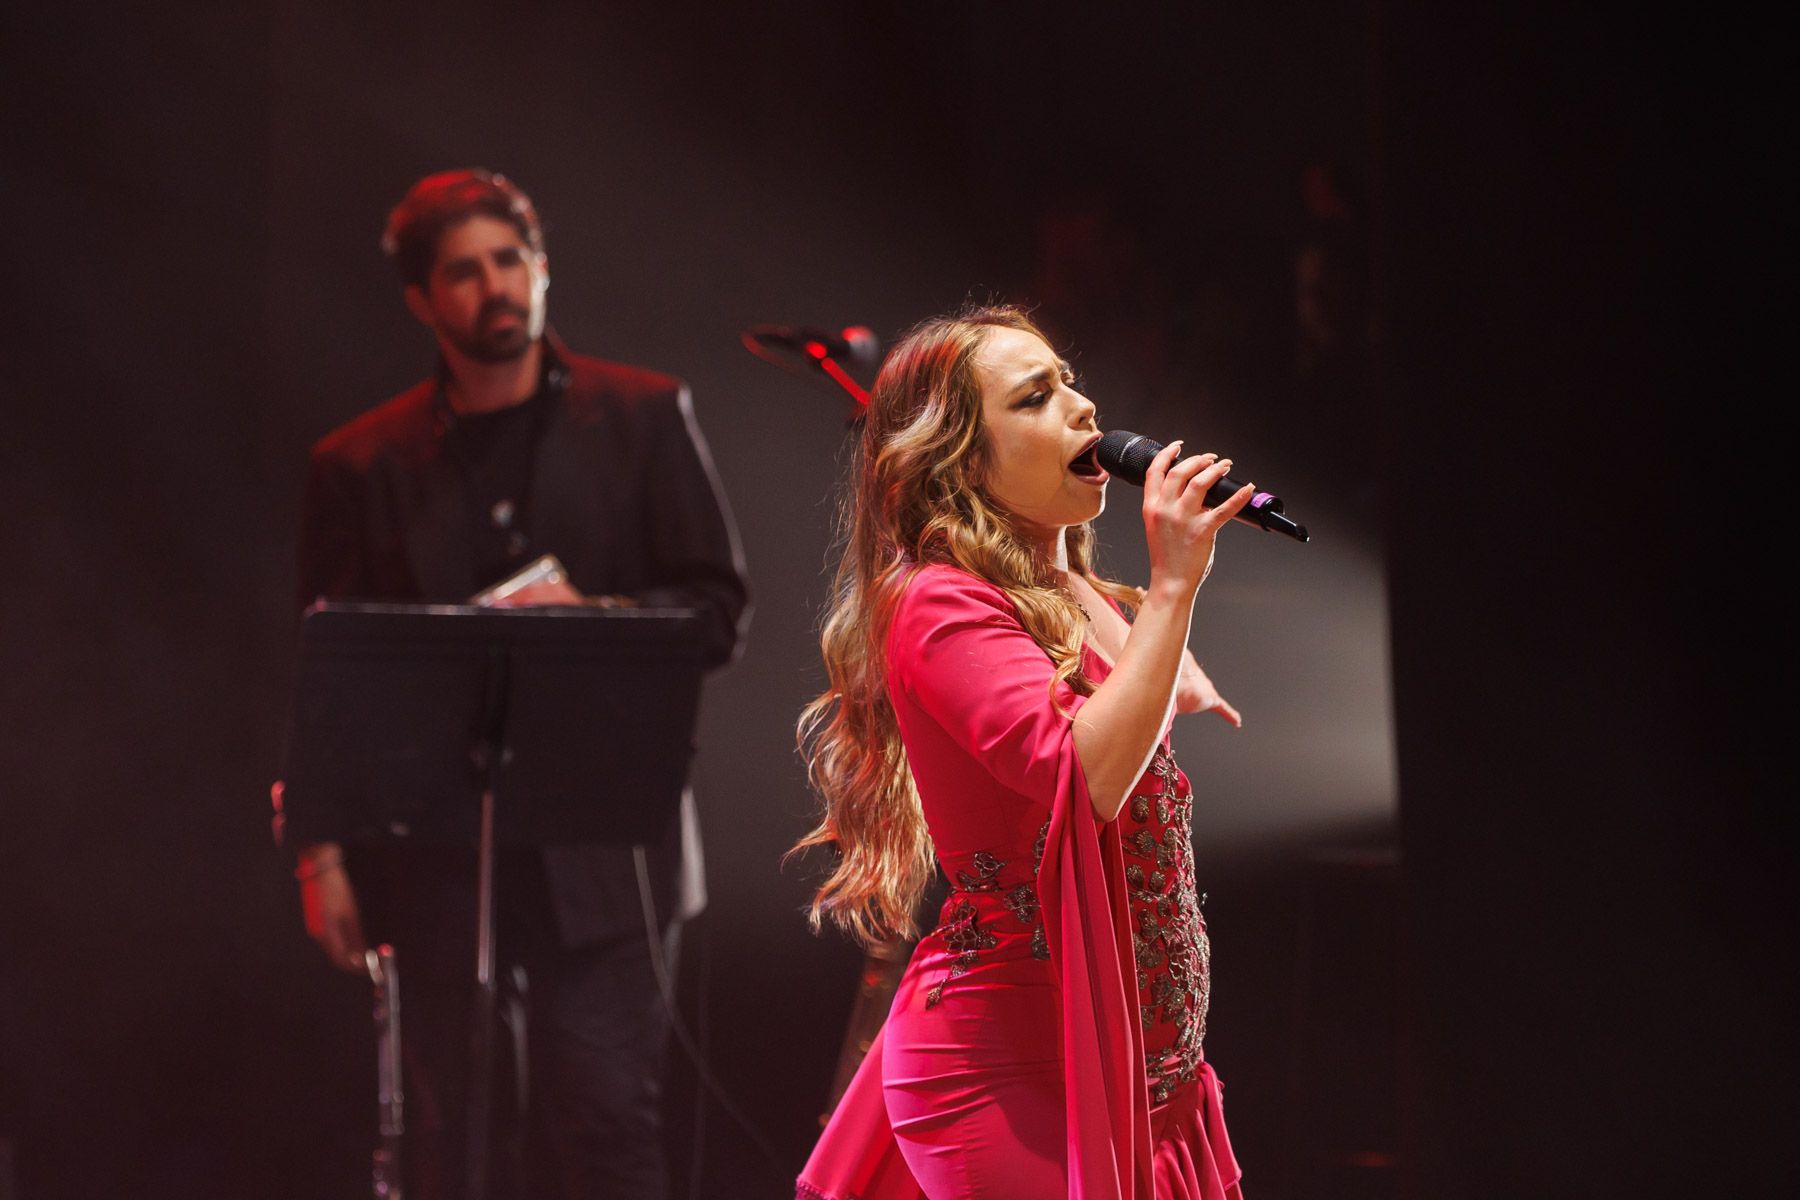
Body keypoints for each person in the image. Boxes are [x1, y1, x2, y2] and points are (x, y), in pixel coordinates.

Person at [289, 169, 748, 1200]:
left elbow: (720, 613)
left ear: (542, 269)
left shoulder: (643, 414)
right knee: (457, 1133)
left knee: (607, 1118)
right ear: (421, 300)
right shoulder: (359, 463)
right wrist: (318, 855)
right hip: (440, 847)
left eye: (509, 259)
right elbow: (326, 680)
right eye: (463, 270)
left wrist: (596, 622)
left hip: (610, 847)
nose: (494, 285)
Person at [793, 305, 1248, 1199]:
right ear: (960, 459)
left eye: (1069, 381)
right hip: (1009, 1072)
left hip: (1142, 1074)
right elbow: (1082, 775)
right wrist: (1172, 589)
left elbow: (1124, 706)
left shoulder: (1060, 585)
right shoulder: (936, 601)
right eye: (1038, 397)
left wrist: (1170, 661)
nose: (1083, 409)